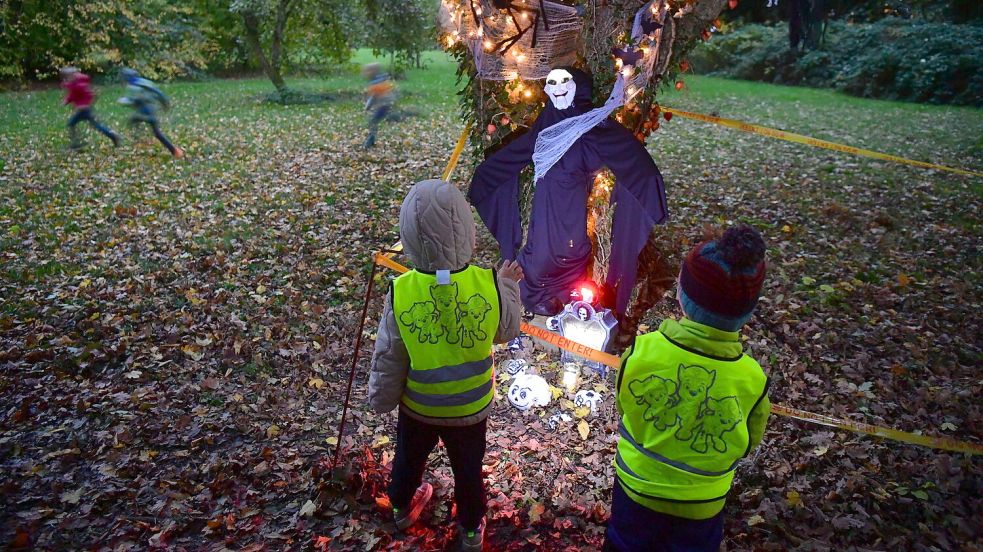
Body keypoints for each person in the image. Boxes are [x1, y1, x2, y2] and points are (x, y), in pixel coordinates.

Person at [369, 179, 523, 550]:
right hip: (470, 408)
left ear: (408, 236)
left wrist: (381, 398)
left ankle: (403, 507)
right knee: (468, 470)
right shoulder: (486, 283)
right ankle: (471, 529)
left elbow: (390, 353)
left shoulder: (402, 291)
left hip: (420, 406)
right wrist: (507, 284)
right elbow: (506, 329)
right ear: (468, 233)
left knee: (409, 458)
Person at [607, 224, 771, 552]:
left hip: (636, 489)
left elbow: (625, 405)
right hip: (703, 504)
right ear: (748, 312)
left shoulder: (644, 350)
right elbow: (749, 441)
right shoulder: (753, 378)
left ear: (681, 294)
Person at [118, 68, 183, 158]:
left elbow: (134, 101)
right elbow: (157, 92)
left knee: (134, 119)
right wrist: (164, 102)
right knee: (157, 134)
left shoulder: (133, 87)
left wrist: (124, 101)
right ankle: (174, 151)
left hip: (146, 111)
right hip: (151, 108)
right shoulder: (144, 82)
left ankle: (139, 137)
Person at [60, 67, 120, 150]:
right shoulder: (73, 84)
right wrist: (66, 100)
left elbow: (91, 94)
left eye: (68, 77)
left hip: (85, 110)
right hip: (82, 110)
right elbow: (73, 95)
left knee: (94, 125)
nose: (67, 79)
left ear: (74, 76)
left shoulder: (79, 85)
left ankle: (113, 136)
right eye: (66, 77)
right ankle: (75, 143)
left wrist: (84, 104)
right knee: (73, 124)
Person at [361, 63, 395, 149]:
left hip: (383, 106)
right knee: (374, 121)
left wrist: (367, 107)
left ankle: (369, 142)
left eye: (367, 71)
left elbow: (373, 97)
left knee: (373, 122)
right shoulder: (381, 80)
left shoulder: (376, 84)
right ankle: (395, 116)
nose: (365, 73)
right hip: (386, 105)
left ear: (372, 72)